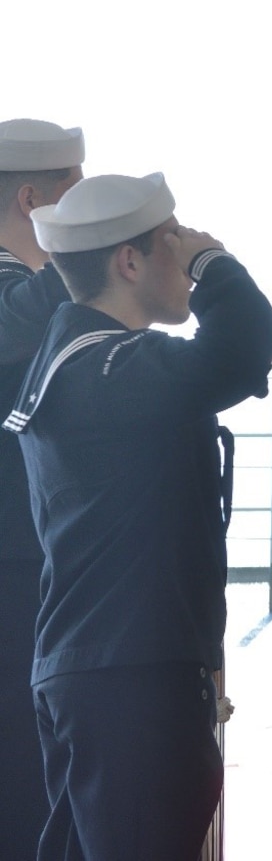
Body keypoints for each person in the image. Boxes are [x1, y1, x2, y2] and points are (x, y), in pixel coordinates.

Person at [6, 172, 272, 860]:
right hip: (131, 679)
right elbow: (241, 348)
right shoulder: (110, 369)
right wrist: (214, 261)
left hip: (99, 669)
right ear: (129, 262)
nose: (184, 261)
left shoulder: (72, 361)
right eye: (170, 245)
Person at [0, 118, 84, 861]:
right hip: (12, 555)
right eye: (75, 191)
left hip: (28, 548)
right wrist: (80, 252)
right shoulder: (12, 288)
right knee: (19, 752)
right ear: (33, 199)